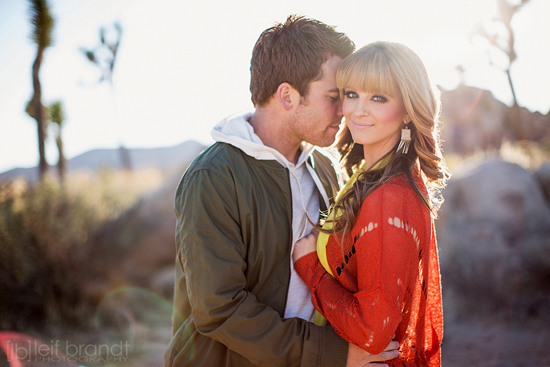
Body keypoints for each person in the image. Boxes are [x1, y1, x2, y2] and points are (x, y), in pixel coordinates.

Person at [165, 16, 400, 367]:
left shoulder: (324, 168)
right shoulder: (213, 177)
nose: (345, 111)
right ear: (288, 96)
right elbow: (219, 308)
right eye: (334, 97)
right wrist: (333, 354)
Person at [292, 41, 450, 367]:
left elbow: (372, 333)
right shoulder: (370, 175)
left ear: (408, 111)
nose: (357, 110)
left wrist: (310, 266)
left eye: (378, 98)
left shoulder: (388, 200)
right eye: (351, 94)